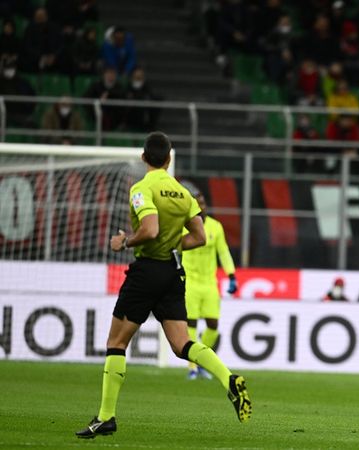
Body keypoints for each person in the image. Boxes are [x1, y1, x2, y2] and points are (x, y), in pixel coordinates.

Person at [75, 132, 251, 438]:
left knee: (116, 343)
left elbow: (150, 228)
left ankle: (106, 416)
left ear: (144, 157)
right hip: (174, 273)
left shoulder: (142, 188)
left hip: (146, 271)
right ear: (169, 159)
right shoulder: (183, 194)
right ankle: (229, 379)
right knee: (182, 344)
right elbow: (199, 237)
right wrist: (174, 246)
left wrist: (125, 241)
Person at [180, 182, 238, 380]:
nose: (202, 205)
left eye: (203, 201)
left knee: (213, 325)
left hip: (209, 283)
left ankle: (202, 360)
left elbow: (223, 252)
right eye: (198, 202)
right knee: (192, 324)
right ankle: (192, 368)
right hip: (190, 282)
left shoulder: (216, 227)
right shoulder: (183, 226)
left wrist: (231, 275)